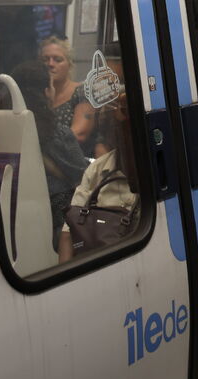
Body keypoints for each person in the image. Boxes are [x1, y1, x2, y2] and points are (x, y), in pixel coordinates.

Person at [9, 60, 90, 241]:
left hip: (16, 213)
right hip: (56, 217)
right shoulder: (55, 133)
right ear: (47, 92)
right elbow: (82, 175)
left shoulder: (4, 125)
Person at [57, 87, 139, 263]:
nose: (119, 135)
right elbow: (68, 232)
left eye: (124, 128)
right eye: (112, 128)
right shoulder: (97, 169)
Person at [39, 36, 97, 155]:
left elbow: (79, 134)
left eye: (58, 59)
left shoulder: (83, 91)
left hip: (74, 163)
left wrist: (40, 143)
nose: (50, 64)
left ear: (69, 64)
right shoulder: (37, 94)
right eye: (45, 59)